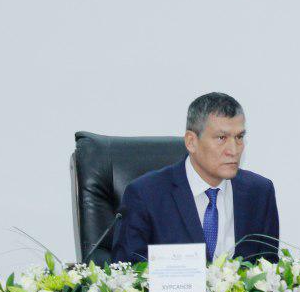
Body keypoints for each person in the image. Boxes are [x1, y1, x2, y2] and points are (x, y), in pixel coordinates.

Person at [110, 92, 280, 264]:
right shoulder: (145, 195)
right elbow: (127, 270)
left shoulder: (259, 192)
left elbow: (269, 268)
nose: (234, 150)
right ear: (191, 142)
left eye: (239, 137)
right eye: (221, 138)